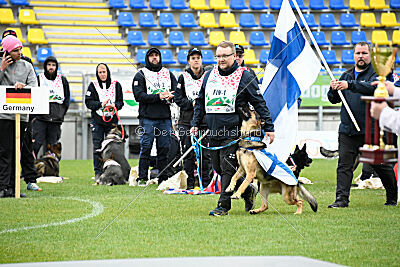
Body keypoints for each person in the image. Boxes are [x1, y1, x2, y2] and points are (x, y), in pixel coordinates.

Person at [191, 41, 275, 216]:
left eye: (225, 56)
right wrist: (195, 123)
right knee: (219, 168)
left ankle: (223, 206)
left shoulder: (244, 76)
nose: (221, 59)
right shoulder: (209, 75)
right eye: (218, 56)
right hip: (212, 130)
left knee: (227, 167)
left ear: (234, 56)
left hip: (234, 132)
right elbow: (200, 101)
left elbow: (258, 102)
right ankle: (247, 190)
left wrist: (269, 126)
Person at [327, 41, 398, 208]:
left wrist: (350, 85)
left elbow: (372, 89)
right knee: (344, 166)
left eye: (364, 53)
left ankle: (392, 197)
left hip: (371, 130)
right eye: (358, 53)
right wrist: (333, 89)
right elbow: (333, 100)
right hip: (348, 130)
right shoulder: (346, 75)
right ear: (353, 55)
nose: (361, 56)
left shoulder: (377, 75)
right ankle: (341, 200)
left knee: (380, 166)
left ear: (370, 55)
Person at [1, 29, 42, 192]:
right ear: (7, 51)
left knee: (17, 152)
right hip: (3, 116)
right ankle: (3, 186)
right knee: (5, 151)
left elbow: (34, 86)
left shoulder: (27, 65)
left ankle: (13, 187)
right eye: (15, 50)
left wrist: (24, 87)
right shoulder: (1, 63)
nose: (19, 52)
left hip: (22, 116)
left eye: (20, 49)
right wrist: (2, 69)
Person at [133, 47, 177, 185]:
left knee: (164, 149)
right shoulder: (141, 74)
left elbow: (177, 91)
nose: (154, 58)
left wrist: (171, 96)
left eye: (156, 55)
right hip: (147, 118)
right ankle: (142, 177)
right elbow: (138, 95)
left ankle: (163, 178)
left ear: (160, 57)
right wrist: (158, 97)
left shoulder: (168, 74)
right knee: (146, 148)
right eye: (151, 55)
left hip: (164, 118)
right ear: (147, 58)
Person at [175, 47, 212, 189]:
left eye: (198, 58)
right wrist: (192, 103)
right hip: (186, 122)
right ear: (189, 61)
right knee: (188, 153)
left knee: (205, 154)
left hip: (204, 122)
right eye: (193, 58)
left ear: (201, 60)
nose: (196, 60)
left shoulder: (208, 76)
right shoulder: (183, 77)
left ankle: (205, 182)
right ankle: (189, 182)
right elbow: (178, 99)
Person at [85, 63, 124, 180]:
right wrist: (100, 104)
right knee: (97, 147)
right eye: (100, 73)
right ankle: (98, 172)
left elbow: (121, 102)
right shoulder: (93, 86)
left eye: (104, 72)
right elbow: (88, 103)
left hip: (112, 122)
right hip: (97, 120)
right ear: (97, 74)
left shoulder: (116, 85)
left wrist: (114, 105)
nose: (102, 75)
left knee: (113, 147)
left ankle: (114, 171)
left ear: (108, 72)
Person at [33, 56, 70, 157]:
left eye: (53, 65)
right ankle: (29, 170)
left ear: (56, 67)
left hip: (55, 120)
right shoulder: (39, 78)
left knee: (52, 147)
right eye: (49, 65)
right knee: (36, 145)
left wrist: (61, 113)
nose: (51, 67)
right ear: (45, 66)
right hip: (40, 119)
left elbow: (66, 100)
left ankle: (50, 170)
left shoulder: (62, 80)